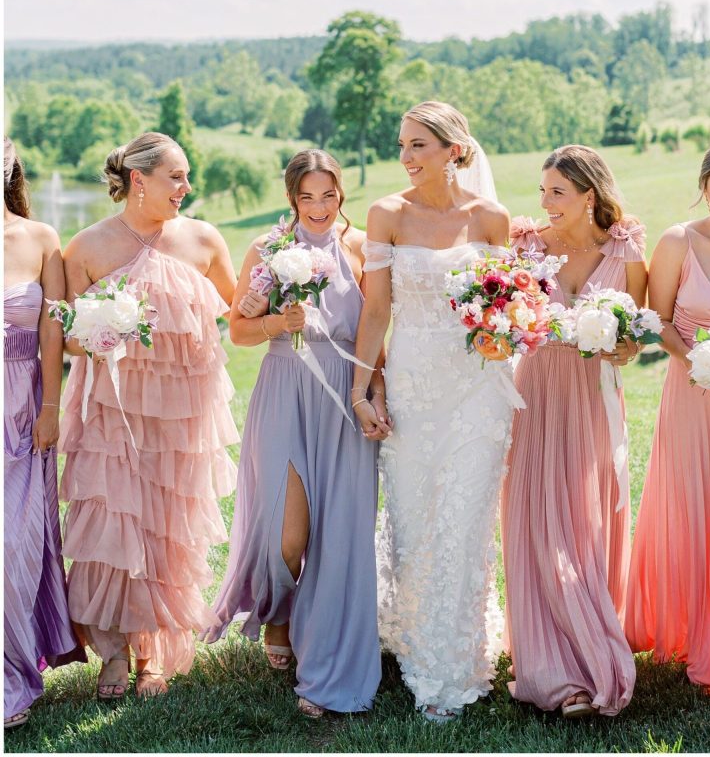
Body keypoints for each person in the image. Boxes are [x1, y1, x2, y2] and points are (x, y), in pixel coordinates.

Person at [202, 149, 383, 718]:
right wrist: (277, 320)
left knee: (341, 537)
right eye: (309, 197)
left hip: (344, 394)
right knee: (288, 535)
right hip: (285, 390)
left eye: (330, 195)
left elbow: (379, 329)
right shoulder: (269, 250)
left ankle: (326, 652)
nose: (321, 207)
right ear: (292, 200)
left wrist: (375, 392)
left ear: (341, 195)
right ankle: (279, 612)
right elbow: (239, 331)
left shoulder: (362, 250)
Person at [58, 132, 239, 699]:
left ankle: (152, 656)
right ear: (140, 181)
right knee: (114, 525)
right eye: (176, 177)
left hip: (180, 415)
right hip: (111, 413)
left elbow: (237, 313)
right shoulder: (86, 247)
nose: (187, 188)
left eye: (186, 178)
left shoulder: (204, 240)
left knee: (168, 528)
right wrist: (96, 334)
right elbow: (66, 340)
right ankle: (111, 655)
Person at [352, 101, 512, 722]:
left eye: (419, 145)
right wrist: (364, 388)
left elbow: (507, 306)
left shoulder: (491, 217)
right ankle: (417, 640)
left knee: (467, 521)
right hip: (415, 386)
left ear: (455, 150)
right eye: (402, 145)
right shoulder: (387, 214)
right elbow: (375, 312)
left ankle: (452, 665)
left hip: (479, 390)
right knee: (416, 521)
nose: (407, 157)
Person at [501, 144, 646, 718]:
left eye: (557, 193)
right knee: (539, 524)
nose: (545, 203)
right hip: (536, 393)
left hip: (593, 397)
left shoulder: (626, 245)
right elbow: (509, 319)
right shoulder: (527, 245)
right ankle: (552, 669)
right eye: (542, 192)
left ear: (590, 194)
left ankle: (592, 650)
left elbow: (634, 343)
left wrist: (616, 342)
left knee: (585, 523)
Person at [626, 141, 710, 717]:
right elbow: (656, 322)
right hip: (693, 397)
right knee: (702, 513)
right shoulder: (679, 241)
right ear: (703, 189)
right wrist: (701, 362)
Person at [4, 138, 85, 730]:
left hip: (25, 410)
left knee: (15, 546)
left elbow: (56, 330)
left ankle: (11, 672)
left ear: (9, 164)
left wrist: (52, 404)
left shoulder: (42, 239)